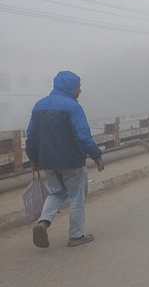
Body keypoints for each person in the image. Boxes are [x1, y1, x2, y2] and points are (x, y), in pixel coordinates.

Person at [25, 71, 105, 248]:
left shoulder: (39, 105)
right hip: (71, 161)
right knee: (77, 196)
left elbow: (30, 136)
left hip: (47, 162)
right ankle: (76, 236)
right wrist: (96, 155)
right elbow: (83, 136)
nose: (80, 90)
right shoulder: (73, 107)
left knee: (56, 193)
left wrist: (34, 158)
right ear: (70, 86)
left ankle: (43, 224)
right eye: (78, 86)